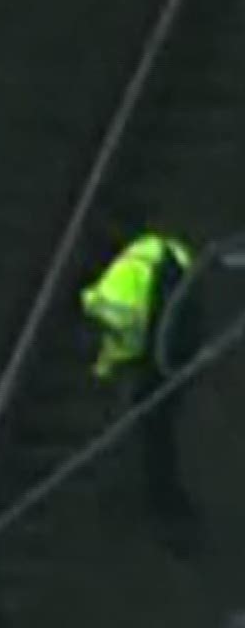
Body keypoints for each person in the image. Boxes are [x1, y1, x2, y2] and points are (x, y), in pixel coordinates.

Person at [80, 229, 202, 545]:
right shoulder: (167, 256)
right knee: (157, 433)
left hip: (149, 361)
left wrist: (108, 367)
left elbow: (119, 326)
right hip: (166, 355)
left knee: (151, 432)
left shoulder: (116, 284)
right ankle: (161, 502)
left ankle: (153, 504)